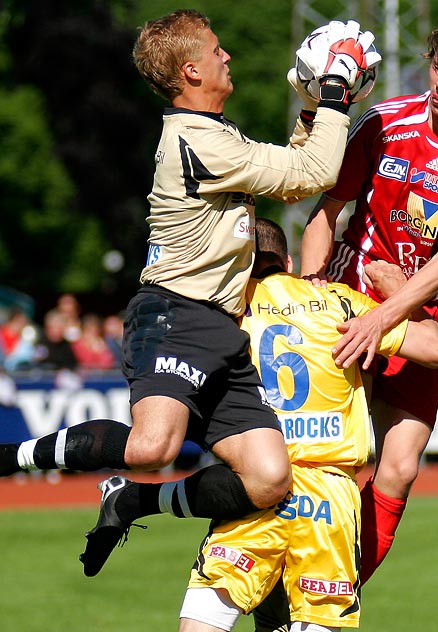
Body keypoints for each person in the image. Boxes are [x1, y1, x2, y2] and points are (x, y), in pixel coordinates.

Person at [0, 10, 380, 575]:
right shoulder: (196, 139)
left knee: (269, 477)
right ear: (191, 69)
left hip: (219, 325)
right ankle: (11, 458)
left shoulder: (214, 134)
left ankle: (131, 499)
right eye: (217, 50)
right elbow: (313, 175)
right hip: (176, 312)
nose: (227, 57)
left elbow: (300, 167)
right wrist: (333, 88)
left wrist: (311, 109)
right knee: (153, 447)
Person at [88, 218, 438, 632]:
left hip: (257, 486)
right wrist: (398, 290)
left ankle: (138, 499)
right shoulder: (340, 303)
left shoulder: (223, 311)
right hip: (332, 497)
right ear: (291, 263)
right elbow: (436, 349)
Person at [300, 9, 438, 583]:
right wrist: (307, 295)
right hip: (349, 301)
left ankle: (336, 591)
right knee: (334, 464)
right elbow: (326, 212)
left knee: (397, 470)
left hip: (416, 314)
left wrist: (389, 313)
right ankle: (281, 582)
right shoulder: (383, 120)